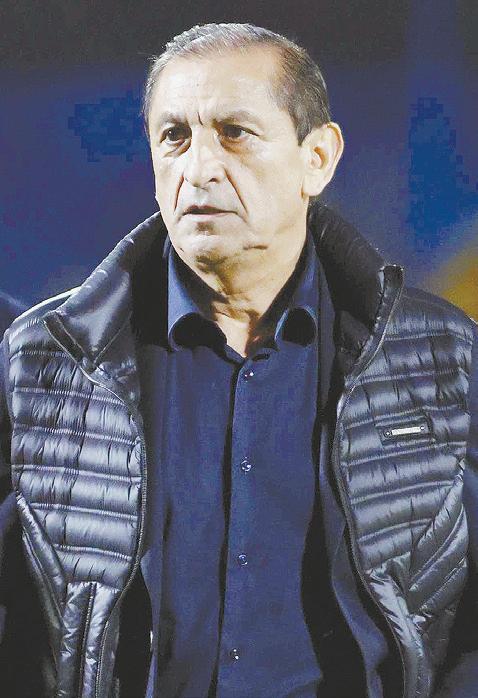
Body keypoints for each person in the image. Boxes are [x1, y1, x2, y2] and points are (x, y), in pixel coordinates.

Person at [0, 22, 477, 698]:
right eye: (174, 136)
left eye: (234, 133)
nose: (199, 168)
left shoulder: (439, 357)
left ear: (318, 158)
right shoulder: (45, 363)